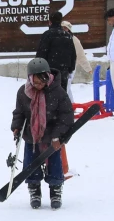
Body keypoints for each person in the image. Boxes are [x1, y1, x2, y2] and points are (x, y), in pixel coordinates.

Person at [11, 58, 74, 211]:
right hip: (31, 136)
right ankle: (34, 190)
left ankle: (55, 191)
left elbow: (66, 116)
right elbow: (19, 112)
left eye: (42, 82)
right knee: (31, 164)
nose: (39, 86)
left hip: (52, 135)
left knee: (55, 165)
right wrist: (16, 127)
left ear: (47, 77)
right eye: (36, 82)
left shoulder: (58, 92)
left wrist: (58, 135)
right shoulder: (23, 92)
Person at [36, 10, 77, 93]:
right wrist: (70, 69)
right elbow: (73, 54)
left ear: (50, 22)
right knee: (61, 95)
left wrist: (38, 69)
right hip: (63, 71)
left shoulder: (47, 35)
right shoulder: (67, 36)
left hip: (49, 71)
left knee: (49, 95)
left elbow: (41, 53)